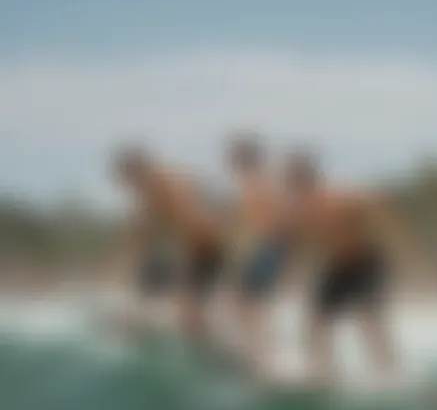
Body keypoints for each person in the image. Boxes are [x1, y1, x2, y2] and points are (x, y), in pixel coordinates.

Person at [282, 150, 408, 386]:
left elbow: (381, 213)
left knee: (369, 322)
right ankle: (325, 373)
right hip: (337, 269)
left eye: (291, 181)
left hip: (364, 263)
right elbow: (304, 245)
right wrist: (293, 274)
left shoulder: (340, 196)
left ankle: (392, 374)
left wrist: (402, 257)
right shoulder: (302, 210)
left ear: (303, 179)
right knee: (315, 323)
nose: (290, 187)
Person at [112, 146, 225, 346]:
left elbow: (191, 228)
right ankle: (137, 330)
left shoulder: (169, 187)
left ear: (136, 172)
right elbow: (142, 234)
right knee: (148, 293)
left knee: (187, 307)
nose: (127, 187)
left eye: (127, 180)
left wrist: (184, 274)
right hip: (196, 248)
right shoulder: (153, 192)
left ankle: (206, 348)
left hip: (203, 249)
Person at [225, 133, 291, 376]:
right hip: (265, 250)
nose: (230, 162)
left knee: (245, 304)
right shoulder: (256, 182)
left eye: (234, 157)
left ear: (244, 159)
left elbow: (272, 221)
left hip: (265, 250)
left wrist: (258, 248)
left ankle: (262, 359)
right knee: (247, 305)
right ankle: (261, 355)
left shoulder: (258, 183)